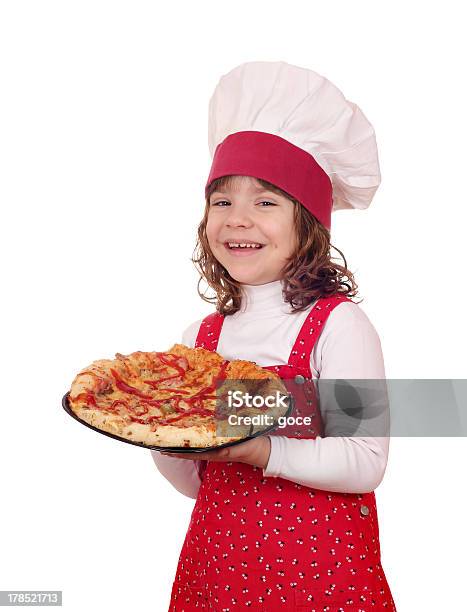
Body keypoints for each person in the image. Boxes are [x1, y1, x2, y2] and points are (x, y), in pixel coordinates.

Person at [152, 61, 397, 611]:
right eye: (223, 201)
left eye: (265, 202)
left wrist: (261, 449)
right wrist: (160, 440)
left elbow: (365, 461)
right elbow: (198, 483)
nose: (238, 219)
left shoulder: (338, 325)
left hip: (323, 582)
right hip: (217, 574)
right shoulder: (202, 339)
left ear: (308, 222)